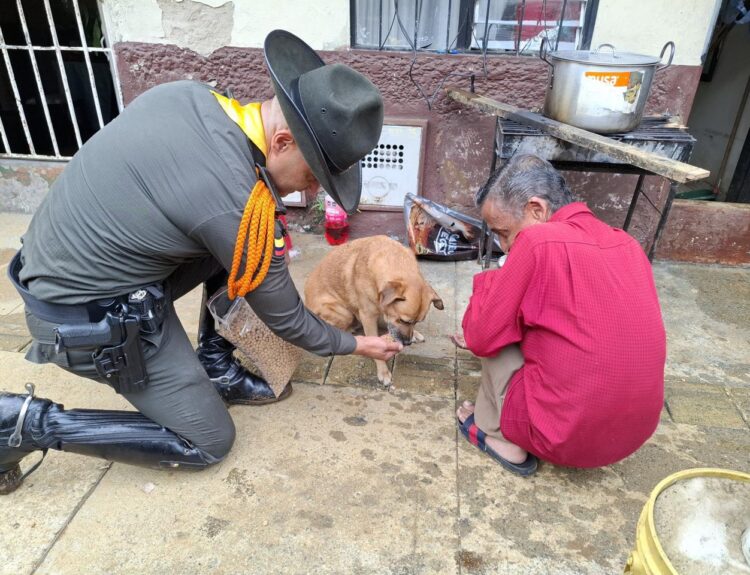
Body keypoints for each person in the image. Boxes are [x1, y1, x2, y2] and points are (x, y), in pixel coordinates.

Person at [0, 30, 402, 495]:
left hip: (65, 270)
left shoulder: (195, 97)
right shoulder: (235, 200)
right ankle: (27, 424)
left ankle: (215, 366)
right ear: (284, 141)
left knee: (234, 254)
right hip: (82, 317)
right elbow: (288, 318)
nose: (308, 193)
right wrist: (357, 346)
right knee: (208, 440)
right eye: (313, 176)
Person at [457, 154, 666, 476]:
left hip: (559, 437)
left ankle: (501, 438)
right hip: (633, 435)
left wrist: (495, 283)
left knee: (493, 333)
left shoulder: (537, 241)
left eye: (503, 232)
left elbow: (480, 337)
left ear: (536, 210)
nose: (504, 245)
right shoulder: (627, 243)